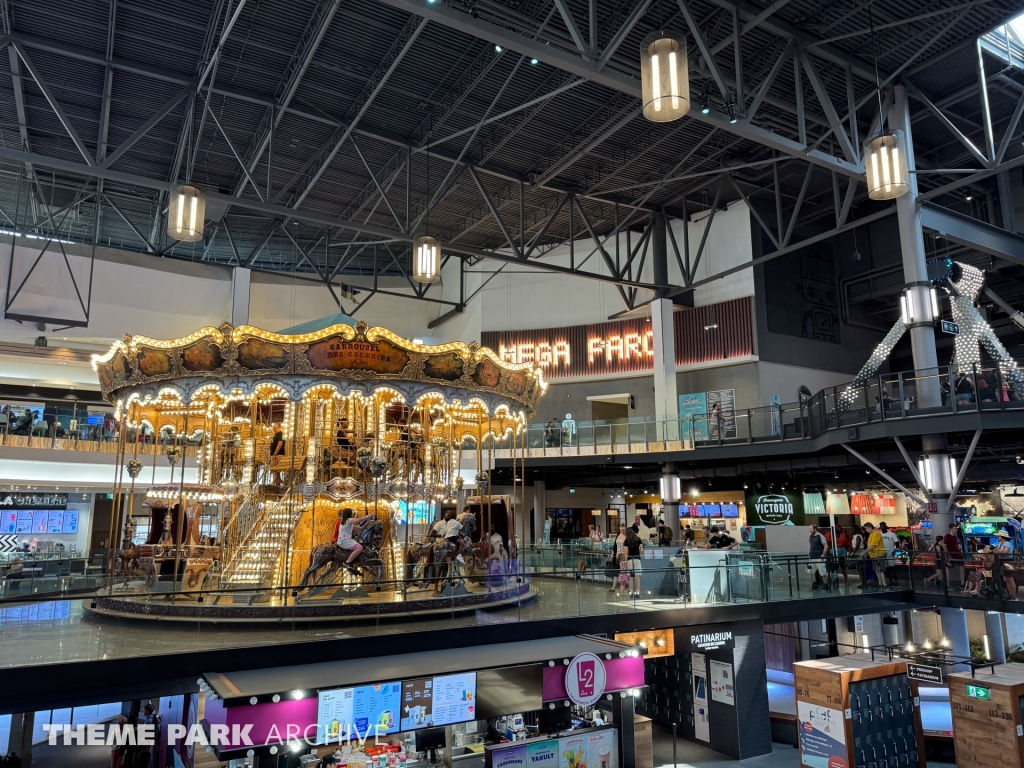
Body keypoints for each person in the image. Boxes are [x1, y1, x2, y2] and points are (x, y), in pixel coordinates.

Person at [332, 507, 372, 574]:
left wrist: (362, 528)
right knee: (360, 547)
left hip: (342, 540)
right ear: (349, 514)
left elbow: (353, 527)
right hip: (345, 541)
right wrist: (370, 515)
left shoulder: (343, 521)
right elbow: (359, 520)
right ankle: (347, 562)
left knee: (357, 543)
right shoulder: (349, 520)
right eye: (352, 513)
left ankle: (353, 561)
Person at [994, 529, 1018, 600]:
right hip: (1003, 562)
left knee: (1010, 579)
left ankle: (1014, 596)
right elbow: (995, 550)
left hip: (1008, 562)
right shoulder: (1000, 544)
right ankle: (1011, 595)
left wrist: (997, 552)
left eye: (999, 536)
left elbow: (1005, 551)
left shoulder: (1006, 543)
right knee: (1006, 579)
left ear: (1002, 536)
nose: (998, 537)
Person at [861, 523, 885, 589]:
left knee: (880, 570)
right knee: (876, 570)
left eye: (866, 528)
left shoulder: (876, 533)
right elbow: (870, 545)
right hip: (874, 555)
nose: (865, 530)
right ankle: (880, 584)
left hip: (879, 554)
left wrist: (864, 552)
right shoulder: (871, 534)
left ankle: (884, 584)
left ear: (869, 527)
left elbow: (873, 545)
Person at [622, 527, 644, 597]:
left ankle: (631, 592)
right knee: (637, 576)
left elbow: (626, 552)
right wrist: (638, 553)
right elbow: (641, 550)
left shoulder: (626, 540)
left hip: (630, 559)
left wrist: (625, 561)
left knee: (631, 577)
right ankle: (638, 592)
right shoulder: (638, 539)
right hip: (637, 559)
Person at [808, 524, 830, 591]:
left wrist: (823, 555)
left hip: (819, 557)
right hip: (812, 557)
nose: (810, 530)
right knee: (812, 571)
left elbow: (826, 546)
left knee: (822, 572)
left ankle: (825, 585)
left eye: (811, 528)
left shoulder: (820, 536)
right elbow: (811, 546)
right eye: (809, 529)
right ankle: (814, 585)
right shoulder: (810, 536)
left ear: (815, 529)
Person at [486, 523, 506, 591]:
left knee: (503, 557)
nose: (491, 528)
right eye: (490, 527)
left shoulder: (499, 537)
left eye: (492, 527)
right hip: (487, 554)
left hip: (496, 553)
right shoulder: (486, 535)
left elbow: (500, 547)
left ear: (495, 528)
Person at [879, 522, 899, 586]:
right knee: (886, 568)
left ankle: (896, 581)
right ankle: (890, 581)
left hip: (890, 553)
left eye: (883, 526)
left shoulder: (892, 534)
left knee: (892, 568)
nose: (882, 527)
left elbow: (897, 543)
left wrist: (895, 551)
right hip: (883, 553)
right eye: (881, 526)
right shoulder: (879, 535)